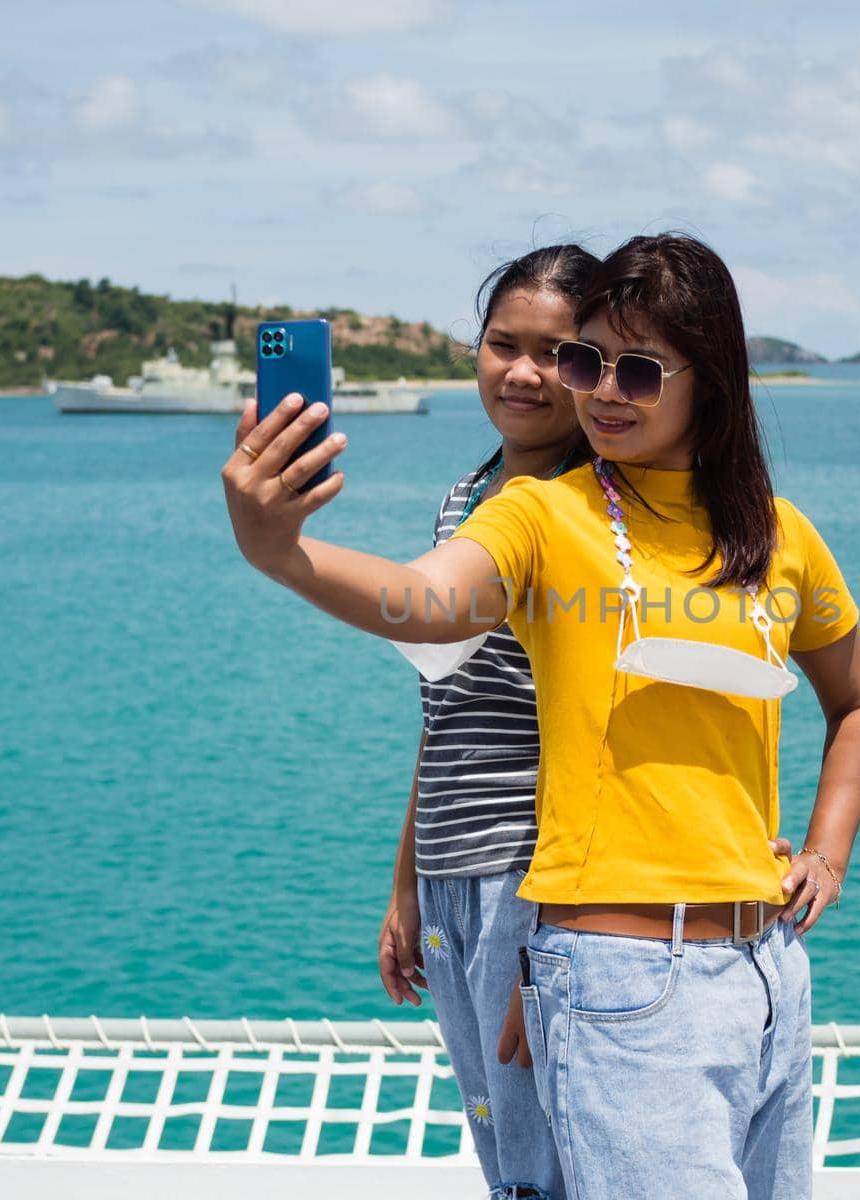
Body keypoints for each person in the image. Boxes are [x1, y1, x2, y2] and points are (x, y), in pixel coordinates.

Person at [223, 233, 860, 1198]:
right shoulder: (541, 513)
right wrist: (281, 551)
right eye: (590, 362)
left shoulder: (779, 536)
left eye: (639, 370)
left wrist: (828, 851)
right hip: (613, 963)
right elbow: (425, 607)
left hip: (764, 970)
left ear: (716, 379)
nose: (603, 390)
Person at [377, 243, 598, 1200]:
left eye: (554, 351)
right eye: (501, 343)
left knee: (549, 1150)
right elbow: (443, 708)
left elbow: (598, 733)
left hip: (533, 874)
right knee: (501, 1154)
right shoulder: (464, 501)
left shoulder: (590, 512)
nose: (521, 371)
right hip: (451, 869)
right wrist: (405, 884)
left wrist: (561, 923)